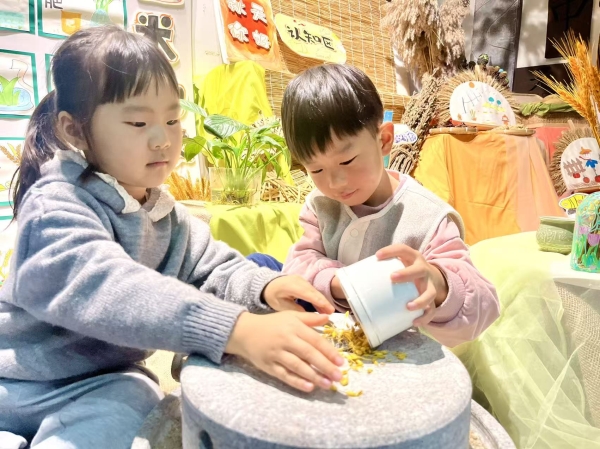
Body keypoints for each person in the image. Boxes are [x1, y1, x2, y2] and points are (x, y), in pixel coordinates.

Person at [0, 26, 343, 449]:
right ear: (75, 130)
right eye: (138, 122)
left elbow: (212, 266)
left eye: (172, 119)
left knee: (145, 400)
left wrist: (266, 286)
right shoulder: (55, 204)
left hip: (103, 383)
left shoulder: (164, 214)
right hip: (15, 383)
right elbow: (109, 288)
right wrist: (235, 329)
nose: (163, 139)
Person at [280, 64, 500, 347]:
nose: (335, 183)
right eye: (316, 170)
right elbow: (297, 265)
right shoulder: (321, 206)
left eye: (347, 161)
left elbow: (483, 305)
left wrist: (438, 283)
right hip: (338, 350)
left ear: (384, 140)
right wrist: (340, 282)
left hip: (405, 355)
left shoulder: (427, 216)